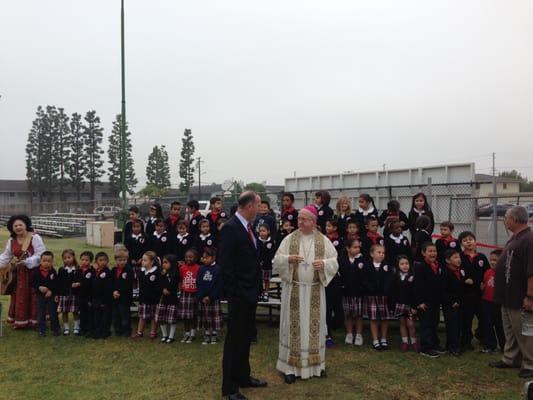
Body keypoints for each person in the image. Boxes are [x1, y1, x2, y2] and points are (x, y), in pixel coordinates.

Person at [273, 204, 339, 384]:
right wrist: (288, 259)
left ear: (313, 221)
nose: (299, 221)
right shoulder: (289, 239)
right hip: (294, 290)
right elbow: (276, 260)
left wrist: (324, 264)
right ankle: (289, 368)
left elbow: (335, 261)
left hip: (315, 291)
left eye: (303, 219)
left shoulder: (323, 241)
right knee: (292, 328)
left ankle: (317, 366)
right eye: (299, 218)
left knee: (314, 329)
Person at [220, 192, 266, 399]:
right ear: (249, 206)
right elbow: (226, 265)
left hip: (251, 292)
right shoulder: (230, 228)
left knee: (246, 337)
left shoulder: (248, 228)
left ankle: (244, 377)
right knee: (234, 340)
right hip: (240, 295)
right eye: (258, 205)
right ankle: (230, 387)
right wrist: (237, 292)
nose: (260, 209)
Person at [490, 206, 533, 379]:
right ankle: (511, 358)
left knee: (525, 332)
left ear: (515, 219)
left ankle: (530, 363)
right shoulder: (515, 238)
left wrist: (530, 296)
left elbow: (532, 272)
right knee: (511, 331)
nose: (504, 220)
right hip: (507, 296)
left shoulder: (529, 240)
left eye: (506, 217)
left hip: (520, 297)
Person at [0, 214, 46, 329]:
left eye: (20, 224)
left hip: (34, 272)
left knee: (34, 295)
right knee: (20, 296)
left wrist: (27, 261)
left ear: (26, 225)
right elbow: (5, 257)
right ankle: (21, 321)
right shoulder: (12, 240)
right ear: (12, 228)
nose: (18, 227)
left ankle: (35, 321)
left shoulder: (35, 237)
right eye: (15, 225)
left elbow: (41, 254)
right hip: (19, 274)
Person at [458, 230, 489, 351]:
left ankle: (482, 337)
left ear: (475, 241)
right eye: (465, 241)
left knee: (484, 317)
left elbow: (487, 272)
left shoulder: (481, 257)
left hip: (480, 294)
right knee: (466, 319)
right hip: (466, 294)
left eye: (470, 239)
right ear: (461, 244)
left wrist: (484, 283)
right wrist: (464, 280)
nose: (468, 242)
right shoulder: (459, 257)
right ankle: (466, 341)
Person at [414, 242, 445, 358]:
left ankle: (434, 344)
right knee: (426, 325)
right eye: (430, 251)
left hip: (435, 300)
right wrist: (420, 302)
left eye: (434, 251)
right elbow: (417, 286)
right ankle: (425, 347)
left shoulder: (438, 266)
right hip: (425, 302)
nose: (433, 253)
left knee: (434, 322)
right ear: (423, 253)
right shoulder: (420, 267)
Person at [363, 244, 394, 351]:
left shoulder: (387, 266)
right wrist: (370, 288)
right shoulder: (367, 265)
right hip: (372, 296)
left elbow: (390, 279)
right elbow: (364, 280)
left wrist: (386, 289)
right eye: (379, 252)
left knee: (385, 318)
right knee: (373, 318)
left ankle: (384, 339)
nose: (381, 254)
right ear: (372, 254)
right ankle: (375, 340)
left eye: (383, 253)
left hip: (384, 296)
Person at [339, 239, 367, 346]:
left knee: (358, 315)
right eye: (355, 247)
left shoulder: (362, 260)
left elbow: (364, 276)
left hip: (359, 292)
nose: (357, 249)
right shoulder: (341, 260)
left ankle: (359, 335)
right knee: (348, 314)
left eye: (358, 247)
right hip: (346, 292)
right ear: (348, 248)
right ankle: (349, 334)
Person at [389, 255, 417, 352]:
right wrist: (392, 305)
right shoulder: (395, 277)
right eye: (402, 264)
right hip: (399, 304)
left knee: (410, 323)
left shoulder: (413, 276)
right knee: (402, 322)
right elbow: (393, 292)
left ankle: (413, 342)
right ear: (398, 266)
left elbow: (415, 293)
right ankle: (405, 341)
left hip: (409, 305)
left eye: (406, 264)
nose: (405, 266)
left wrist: (414, 306)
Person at [197, 247, 223, 345]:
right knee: (206, 317)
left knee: (213, 317)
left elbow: (219, 285)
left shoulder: (218, 269)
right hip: (203, 298)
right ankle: (207, 334)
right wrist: (202, 296)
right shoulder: (201, 269)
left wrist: (211, 296)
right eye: (203, 258)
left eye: (206, 258)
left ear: (213, 258)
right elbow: (199, 283)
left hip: (213, 298)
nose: (204, 259)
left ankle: (214, 335)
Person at [480, 249, 505, 353]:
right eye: (491, 260)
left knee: (500, 325)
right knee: (488, 324)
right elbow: (485, 284)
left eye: (495, 260)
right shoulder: (487, 272)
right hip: (487, 302)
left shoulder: (504, 273)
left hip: (498, 303)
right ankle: (490, 345)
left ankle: (504, 346)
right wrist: (482, 287)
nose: (492, 262)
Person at [31, 251, 60, 337]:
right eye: (44, 261)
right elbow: (32, 283)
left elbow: (56, 283)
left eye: (49, 261)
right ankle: (41, 330)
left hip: (51, 295)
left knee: (53, 312)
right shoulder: (36, 271)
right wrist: (39, 287)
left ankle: (55, 329)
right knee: (41, 313)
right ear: (40, 261)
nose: (46, 263)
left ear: (52, 262)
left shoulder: (53, 272)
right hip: (40, 296)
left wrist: (51, 290)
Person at [442, 249, 465, 357]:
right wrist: (452, 301)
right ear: (447, 260)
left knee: (458, 324)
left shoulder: (460, 271)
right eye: (455, 258)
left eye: (459, 257)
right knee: (452, 326)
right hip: (450, 304)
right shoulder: (445, 272)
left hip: (460, 303)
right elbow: (443, 290)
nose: (458, 260)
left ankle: (455, 344)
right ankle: (453, 347)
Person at [133, 251, 160, 339]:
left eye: (145, 260)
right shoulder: (140, 271)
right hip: (143, 298)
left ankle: (153, 332)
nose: (142, 262)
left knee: (153, 317)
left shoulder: (156, 272)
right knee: (142, 317)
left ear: (152, 262)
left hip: (154, 299)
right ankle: (139, 332)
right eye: (142, 260)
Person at [155, 254, 179, 343]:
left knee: (171, 319)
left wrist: (168, 289)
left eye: (166, 262)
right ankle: (164, 335)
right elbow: (158, 284)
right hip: (162, 298)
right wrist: (163, 289)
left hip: (172, 298)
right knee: (162, 318)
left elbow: (174, 284)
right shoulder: (162, 273)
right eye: (163, 262)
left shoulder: (175, 274)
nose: (163, 264)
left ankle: (171, 336)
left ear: (172, 264)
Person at [178, 248, 200, 344]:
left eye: (191, 257)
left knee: (193, 315)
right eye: (187, 257)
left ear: (196, 258)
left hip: (194, 294)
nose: (188, 259)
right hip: (184, 293)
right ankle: (186, 333)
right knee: (185, 316)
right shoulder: (182, 268)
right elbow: (180, 280)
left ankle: (193, 333)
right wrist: (180, 289)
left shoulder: (199, 268)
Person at [111, 247, 134, 337]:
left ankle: (126, 331)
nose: (122, 262)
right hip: (115, 297)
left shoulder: (129, 270)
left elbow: (128, 284)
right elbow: (111, 283)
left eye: (124, 260)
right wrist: (113, 291)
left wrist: (119, 292)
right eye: (120, 260)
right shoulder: (113, 270)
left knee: (125, 315)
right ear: (116, 260)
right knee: (116, 315)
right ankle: (118, 330)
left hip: (125, 297)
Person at [57, 249, 80, 335]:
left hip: (74, 294)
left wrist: (78, 283)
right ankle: (66, 328)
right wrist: (59, 294)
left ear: (73, 257)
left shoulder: (78, 269)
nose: (67, 259)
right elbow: (59, 282)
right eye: (65, 258)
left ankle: (76, 327)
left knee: (75, 311)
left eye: (69, 257)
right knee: (64, 312)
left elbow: (80, 280)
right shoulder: (61, 270)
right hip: (64, 294)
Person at [91, 252, 113, 339]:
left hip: (105, 299)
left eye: (104, 260)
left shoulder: (108, 272)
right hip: (95, 298)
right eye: (100, 260)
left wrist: (105, 300)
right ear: (96, 262)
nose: (103, 262)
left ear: (107, 261)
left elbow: (108, 287)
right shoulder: (94, 271)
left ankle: (105, 332)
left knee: (105, 317)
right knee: (97, 316)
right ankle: (97, 331)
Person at [77, 251, 94, 337]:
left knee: (89, 313)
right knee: (82, 313)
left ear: (90, 261)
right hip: (80, 296)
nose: (84, 262)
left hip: (88, 296)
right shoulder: (78, 270)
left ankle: (89, 330)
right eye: (82, 259)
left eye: (86, 260)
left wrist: (80, 284)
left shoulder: (92, 271)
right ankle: (82, 329)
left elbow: (90, 283)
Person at [257, 224, 276, 302]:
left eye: (264, 231)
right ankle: (260, 292)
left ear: (268, 232)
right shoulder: (257, 241)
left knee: (267, 279)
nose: (262, 233)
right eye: (260, 231)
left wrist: (268, 259)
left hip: (267, 264)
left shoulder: (271, 241)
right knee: (259, 279)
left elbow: (273, 252)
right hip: (258, 265)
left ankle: (266, 292)